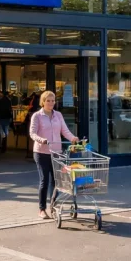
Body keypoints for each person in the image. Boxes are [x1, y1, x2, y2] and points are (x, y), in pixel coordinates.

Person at [29, 90, 79, 220]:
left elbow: (64, 130)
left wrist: (73, 138)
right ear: (43, 102)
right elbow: (32, 133)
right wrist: (41, 140)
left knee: (56, 181)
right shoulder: (37, 116)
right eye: (48, 101)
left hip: (57, 152)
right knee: (44, 180)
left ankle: (53, 206)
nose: (51, 103)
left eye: (53, 101)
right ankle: (41, 209)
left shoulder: (58, 115)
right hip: (41, 152)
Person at [0, 90, 13, 154]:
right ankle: (4, 146)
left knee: (0, 132)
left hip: (0, 118)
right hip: (6, 118)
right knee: (5, 132)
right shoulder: (8, 101)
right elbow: (9, 109)